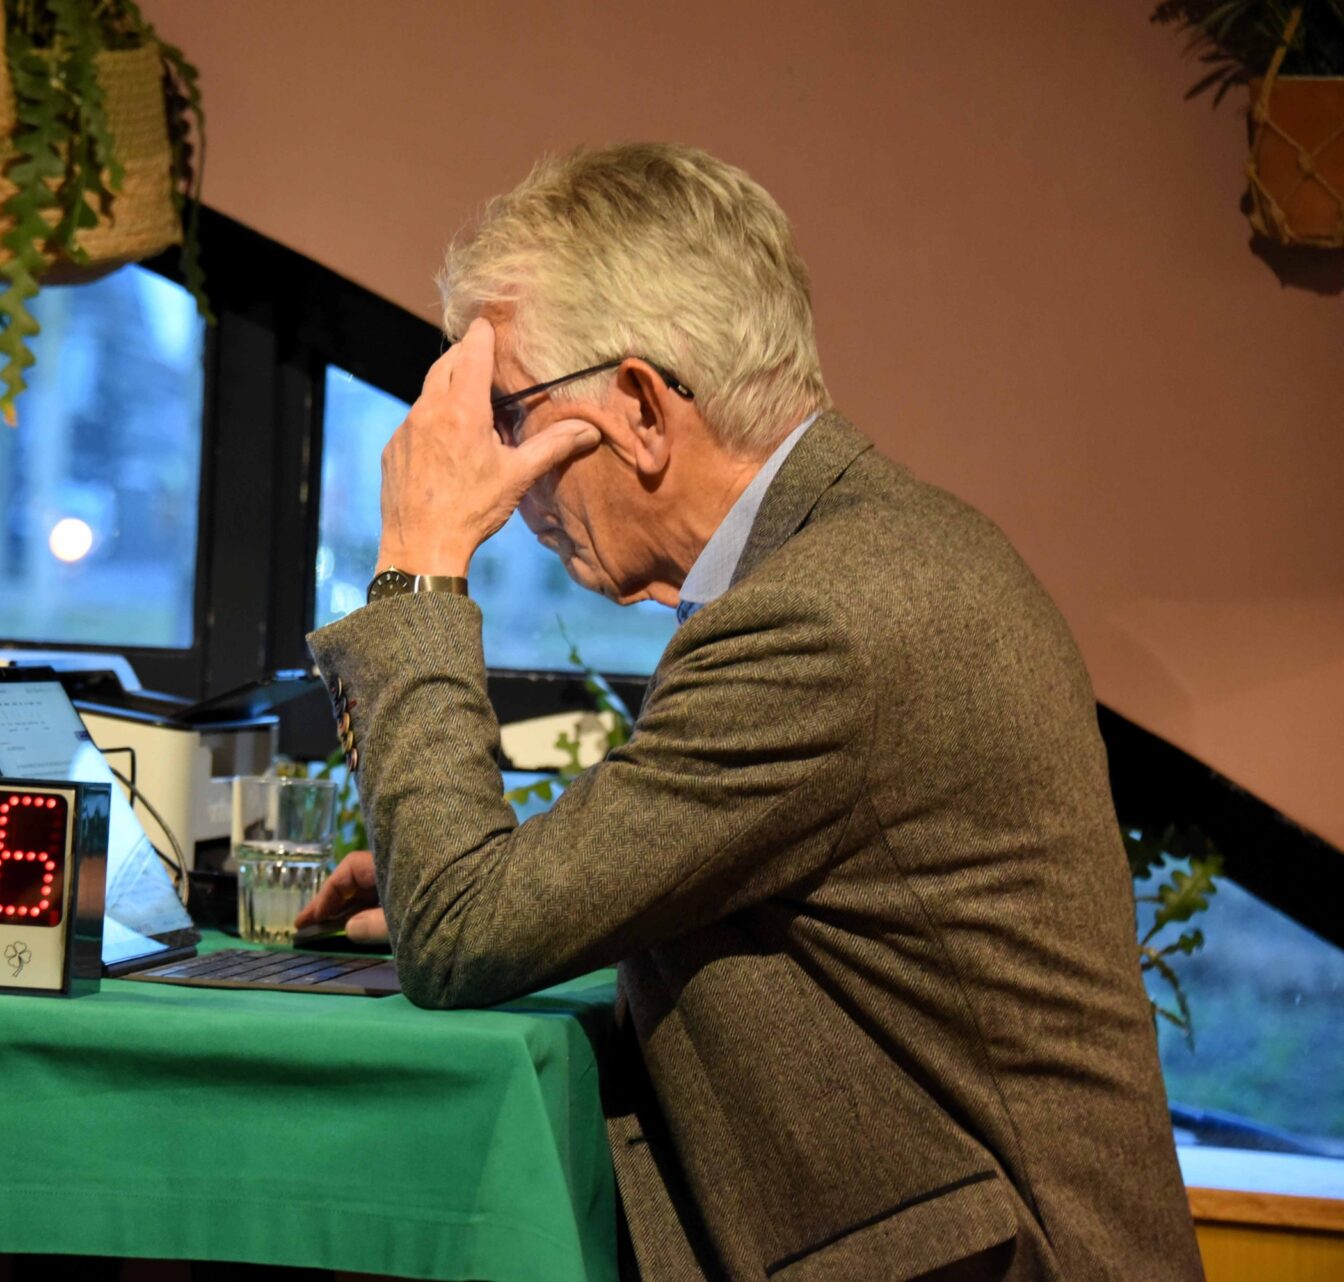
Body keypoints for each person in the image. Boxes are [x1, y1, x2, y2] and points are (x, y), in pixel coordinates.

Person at [295, 143, 1202, 1281]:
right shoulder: (869, 552)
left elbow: (463, 935)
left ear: (639, 409)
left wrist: (419, 561)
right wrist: (472, 876)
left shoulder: (825, 615)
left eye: (510, 418)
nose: (505, 481)